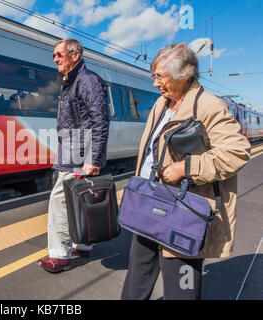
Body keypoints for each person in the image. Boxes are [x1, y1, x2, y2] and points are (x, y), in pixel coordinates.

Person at [121, 42, 251, 300]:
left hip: (183, 213)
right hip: (149, 203)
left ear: (185, 75)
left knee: (182, 286)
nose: (155, 83)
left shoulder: (210, 107)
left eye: (160, 76)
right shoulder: (161, 104)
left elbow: (237, 152)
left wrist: (185, 167)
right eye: (153, 75)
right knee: (137, 274)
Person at [37, 39, 110, 273]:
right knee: (81, 200)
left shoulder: (87, 81)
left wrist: (93, 159)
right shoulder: (72, 81)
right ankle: (84, 244)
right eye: (53, 55)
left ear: (75, 55)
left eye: (59, 54)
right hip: (75, 152)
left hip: (79, 155)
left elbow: (100, 121)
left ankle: (59, 255)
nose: (55, 58)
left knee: (59, 203)